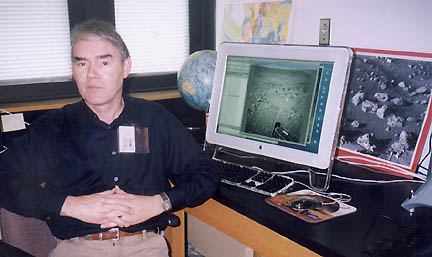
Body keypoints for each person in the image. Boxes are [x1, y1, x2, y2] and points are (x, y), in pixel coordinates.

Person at [0, 19, 220, 257]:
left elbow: (206, 173)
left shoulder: (154, 119)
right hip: (79, 248)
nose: (92, 74)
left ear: (125, 68)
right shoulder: (54, 127)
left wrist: (159, 203)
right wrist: (70, 205)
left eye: (104, 62)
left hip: (145, 246)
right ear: (73, 70)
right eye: (82, 63)